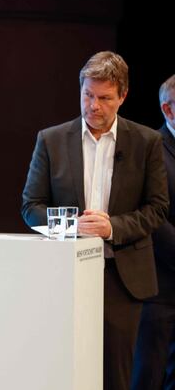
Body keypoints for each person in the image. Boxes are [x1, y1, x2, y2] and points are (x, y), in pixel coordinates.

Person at [21, 51, 169, 390]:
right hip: (64, 276)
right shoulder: (52, 140)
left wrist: (112, 227)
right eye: (88, 95)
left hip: (123, 278)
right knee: (65, 372)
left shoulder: (147, 142)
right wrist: (74, 227)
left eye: (104, 98)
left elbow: (158, 208)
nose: (94, 105)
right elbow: (31, 207)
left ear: (123, 96)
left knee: (115, 376)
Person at [131, 74, 175, 390]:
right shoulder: (152, 148)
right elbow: (153, 214)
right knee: (148, 376)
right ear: (168, 110)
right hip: (161, 290)